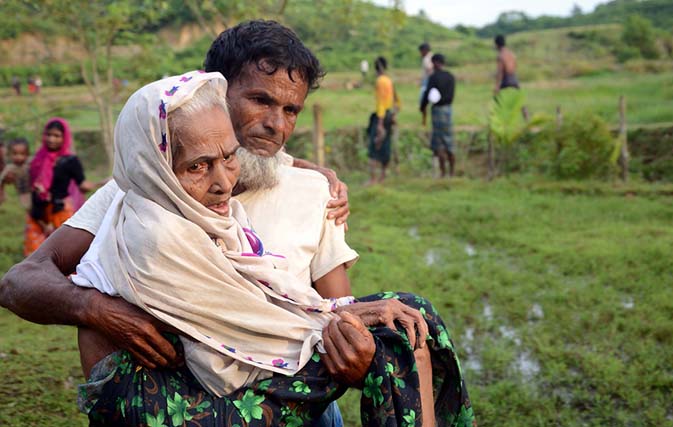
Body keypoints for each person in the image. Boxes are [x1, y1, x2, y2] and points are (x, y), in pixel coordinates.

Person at [1, 20, 355, 427]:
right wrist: (94, 308)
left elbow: (340, 312)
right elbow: (18, 283)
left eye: (291, 109)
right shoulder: (138, 193)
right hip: (173, 408)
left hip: (294, 407)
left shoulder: (314, 192)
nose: (277, 125)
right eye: (260, 100)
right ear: (211, 93)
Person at [72, 70, 473, 427]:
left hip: (240, 363)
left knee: (415, 314)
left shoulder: (213, 210)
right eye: (197, 166)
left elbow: (270, 292)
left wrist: (346, 313)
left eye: (228, 158)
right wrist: (346, 319)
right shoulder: (157, 231)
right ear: (155, 165)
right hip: (179, 398)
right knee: (397, 347)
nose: (222, 182)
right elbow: (252, 322)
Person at [24, 118, 99, 255]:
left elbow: (82, 185)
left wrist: (103, 183)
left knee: (64, 254)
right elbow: (31, 185)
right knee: (35, 255)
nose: (51, 139)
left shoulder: (70, 161)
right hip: (38, 213)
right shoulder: (37, 159)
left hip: (60, 212)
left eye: (57, 136)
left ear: (64, 138)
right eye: (48, 134)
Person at [420, 54, 456, 178]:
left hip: (437, 111)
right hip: (448, 110)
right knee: (449, 141)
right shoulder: (450, 77)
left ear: (435, 63)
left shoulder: (433, 78)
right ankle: (452, 172)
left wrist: (422, 108)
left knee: (439, 143)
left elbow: (427, 95)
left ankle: (443, 172)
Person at [367, 56, 400, 184]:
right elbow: (398, 102)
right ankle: (383, 176)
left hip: (381, 117)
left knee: (375, 146)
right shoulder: (389, 80)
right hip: (389, 115)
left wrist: (380, 124)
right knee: (385, 146)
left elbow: (381, 103)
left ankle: (373, 179)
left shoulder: (380, 81)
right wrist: (393, 115)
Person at [0, 138, 32, 210]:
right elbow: (2, 178)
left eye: (22, 154)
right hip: (22, 193)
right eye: (15, 154)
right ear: (10, 154)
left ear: (27, 154)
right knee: (28, 208)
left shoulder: (30, 163)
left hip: (34, 191)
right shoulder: (10, 167)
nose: (18, 157)